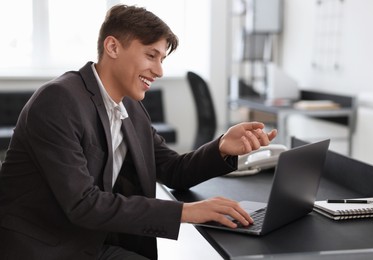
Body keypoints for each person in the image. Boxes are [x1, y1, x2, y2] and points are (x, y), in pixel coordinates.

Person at [0, 4, 277, 260]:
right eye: (150, 55)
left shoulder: (129, 107)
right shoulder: (59, 100)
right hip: (48, 247)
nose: (158, 70)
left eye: (162, 59)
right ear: (112, 47)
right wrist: (185, 212)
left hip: (91, 241)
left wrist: (221, 147)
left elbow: (171, 168)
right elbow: (84, 203)